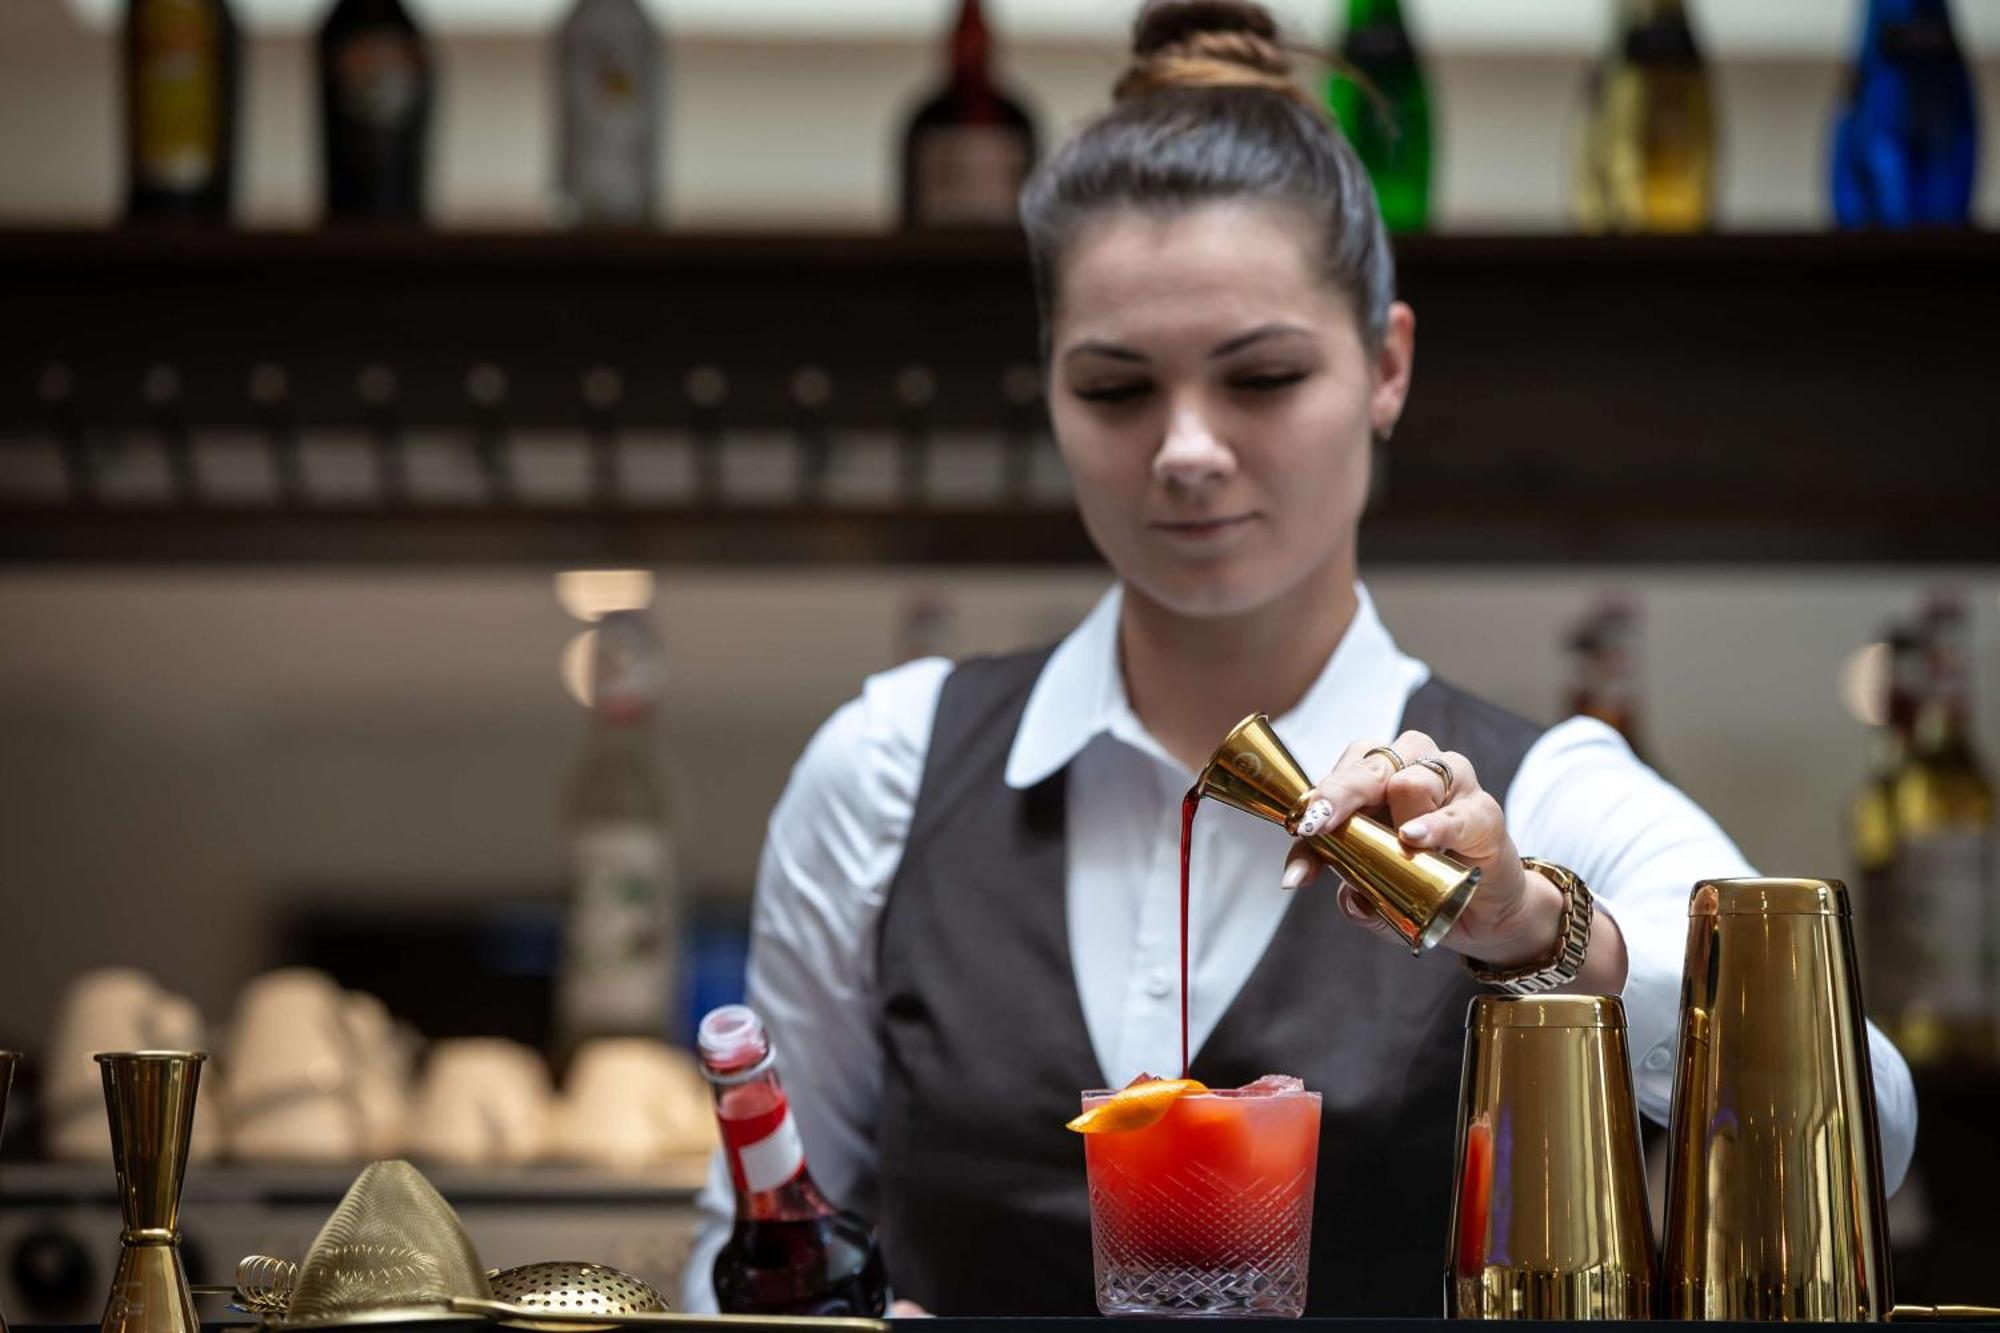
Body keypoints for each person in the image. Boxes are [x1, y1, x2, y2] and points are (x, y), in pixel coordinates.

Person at [685, 0, 1916, 1315]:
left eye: (1262, 377)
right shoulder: (888, 770)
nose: (1187, 449)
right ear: (1046, 384)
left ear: (1386, 365)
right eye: (1113, 388)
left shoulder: (1543, 791)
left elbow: (1872, 1117)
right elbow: (754, 1241)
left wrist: (1541, 930)